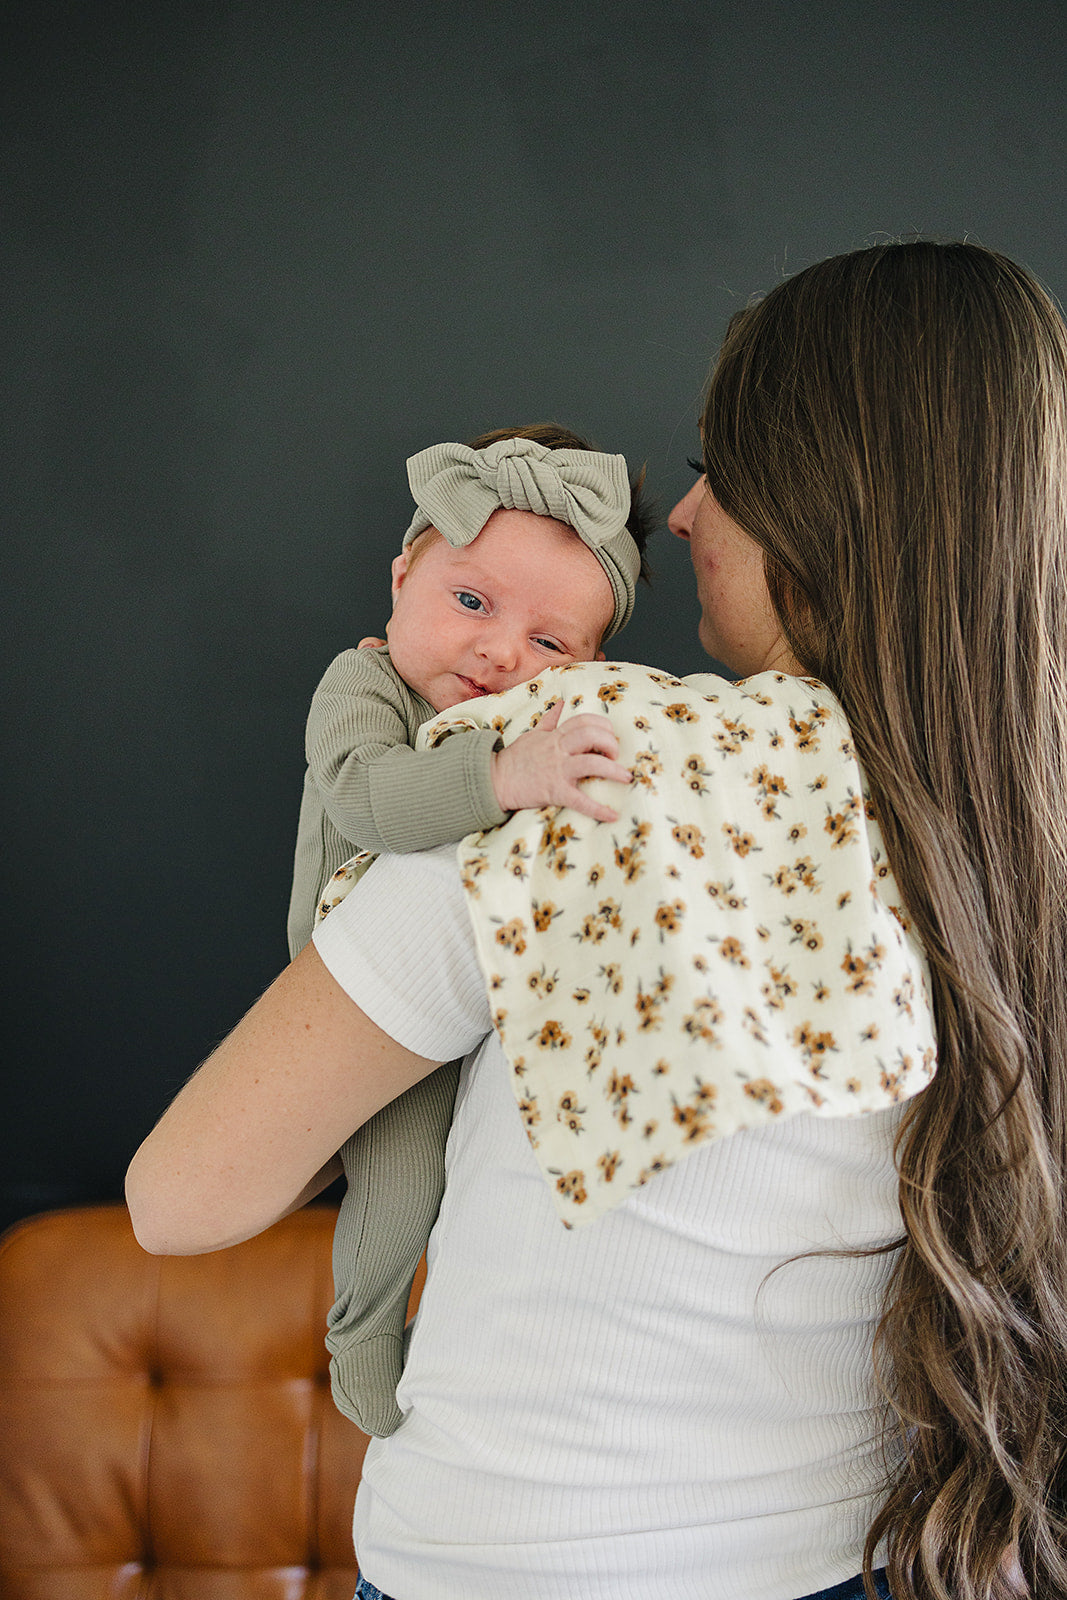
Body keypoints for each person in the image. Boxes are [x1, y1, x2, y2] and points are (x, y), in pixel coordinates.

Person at [126, 240, 1067, 1600]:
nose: (677, 518)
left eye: (716, 470)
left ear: (824, 497)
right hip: (862, 1564)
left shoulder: (588, 754)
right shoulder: (1017, 839)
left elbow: (181, 1200)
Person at [287, 424, 653, 1434]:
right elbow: (368, 802)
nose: (499, 651)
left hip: (489, 1003)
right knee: (400, 1185)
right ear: (403, 573)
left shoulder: (534, 721)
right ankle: (360, 1336)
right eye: (470, 602)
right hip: (372, 1009)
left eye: (550, 643)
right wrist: (504, 776)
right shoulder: (362, 685)